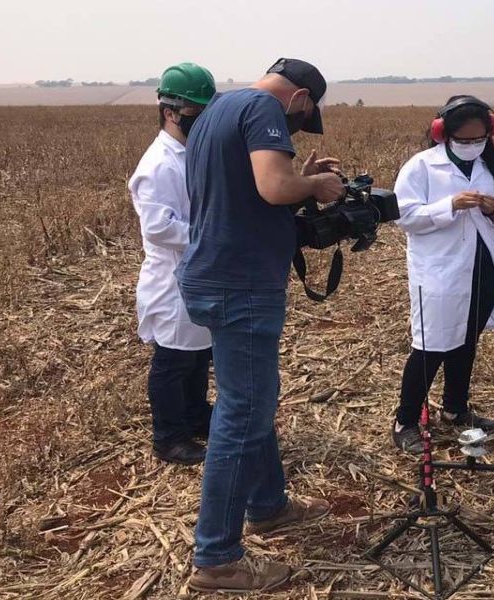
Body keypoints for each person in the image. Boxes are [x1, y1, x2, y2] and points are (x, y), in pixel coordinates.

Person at [176, 58, 346, 593]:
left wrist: (301, 177)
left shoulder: (218, 109)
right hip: (241, 283)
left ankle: (269, 505)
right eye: (303, 118)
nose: (297, 126)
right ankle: (217, 559)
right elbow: (274, 187)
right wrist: (314, 184)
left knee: (248, 400)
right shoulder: (263, 109)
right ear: (298, 99)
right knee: (242, 414)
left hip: (212, 273)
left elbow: (246, 189)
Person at [391, 96, 494, 453]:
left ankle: (455, 410)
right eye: (465, 140)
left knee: (466, 343)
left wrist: (492, 209)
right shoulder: (421, 167)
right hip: (439, 272)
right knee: (430, 347)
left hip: (482, 269)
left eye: (479, 140)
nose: (473, 146)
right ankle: (405, 420)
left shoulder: (489, 167)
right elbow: (403, 216)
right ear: (443, 135)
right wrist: (449, 205)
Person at [128, 62, 216, 466]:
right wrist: (213, 232)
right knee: (173, 360)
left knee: (199, 355)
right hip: (172, 280)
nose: (200, 122)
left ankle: (197, 416)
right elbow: (160, 228)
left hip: (198, 274)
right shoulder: (158, 165)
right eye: (194, 114)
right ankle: (168, 438)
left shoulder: (190, 154)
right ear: (169, 112)